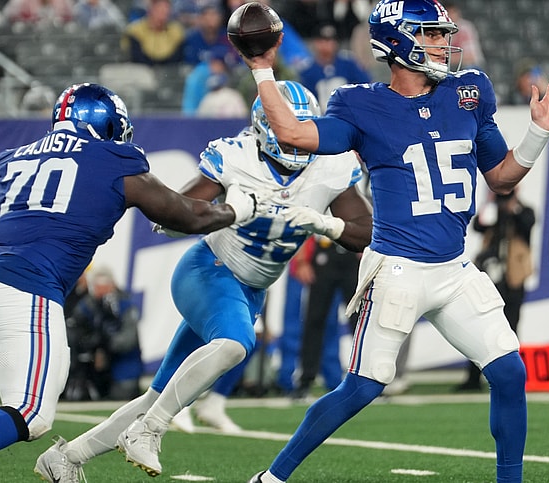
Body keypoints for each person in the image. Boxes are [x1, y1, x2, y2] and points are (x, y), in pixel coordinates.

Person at [241, 1, 549, 481]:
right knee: (362, 387)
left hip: (453, 268)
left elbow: (502, 177)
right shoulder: (360, 103)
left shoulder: (469, 91)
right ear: (398, 42)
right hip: (397, 269)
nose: (446, 42)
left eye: (444, 33)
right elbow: (293, 133)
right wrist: (262, 69)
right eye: (432, 34)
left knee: (509, 371)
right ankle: (271, 478)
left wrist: (537, 133)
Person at [0, 82, 259, 483]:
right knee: (30, 413)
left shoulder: (21, 155)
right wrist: (236, 210)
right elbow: (187, 216)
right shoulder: (115, 159)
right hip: (24, 290)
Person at [33, 80, 373, 481]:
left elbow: (365, 230)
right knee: (235, 344)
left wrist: (325, 223)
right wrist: (228, 210)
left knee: (159, 394)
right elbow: (175, 213)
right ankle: (150, 430)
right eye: (286, 129)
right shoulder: (237, 155)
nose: (297, 142)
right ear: (265, 127)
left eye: (302, 128)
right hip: (209, 270)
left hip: (250, 290)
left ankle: (66, 459)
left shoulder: (330, 164)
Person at [457, 189, 535, 392]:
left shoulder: (525, 211)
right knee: (478, 326)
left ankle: (509, 377)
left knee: (510, 329)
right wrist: (491, 204)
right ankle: (473, 379)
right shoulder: (492, 210)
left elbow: (527, 225)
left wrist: (512, 208)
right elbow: (478, 226)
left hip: (514, 279)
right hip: (489, 278)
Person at [288, 235, 361, 400]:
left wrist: (368, 246)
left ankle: (368, 378)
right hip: (324, 249)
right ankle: (305, 380)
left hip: (353, 250)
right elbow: (305, 222)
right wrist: (301, 260)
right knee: (314, 319)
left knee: (360, 321)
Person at [65, 265, 143, 401]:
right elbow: (73, 329)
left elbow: (127, 342)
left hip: (122, 365)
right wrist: (89, 344)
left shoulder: (125, 306)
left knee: (121, 394)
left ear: (112, 286)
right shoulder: (88, 304)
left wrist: (105, 342)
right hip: (94, 366)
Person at [298, 23, 371, 109]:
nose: (326, 45)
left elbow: (366, 86)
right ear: (315, 43)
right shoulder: (308, 70)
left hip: (348, 114)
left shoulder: (348, 64)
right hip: (321, 116)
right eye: (322, 41)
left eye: (330, 40)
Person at [120, 0, 185, 66]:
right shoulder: (135, 31)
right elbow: (136, 57)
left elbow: (177, 58)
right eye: (160, 9)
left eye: (166, 10)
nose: (164, 13)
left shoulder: (176, 31)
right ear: (151, 9)